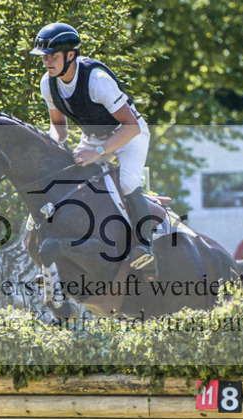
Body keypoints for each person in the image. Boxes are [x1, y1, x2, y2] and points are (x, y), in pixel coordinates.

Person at [30, 22, 156, 274]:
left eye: (52, 55)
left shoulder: (97, 81)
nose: (46, 61)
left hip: (129, 134)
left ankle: (144, 247)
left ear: (70, 55)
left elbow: (130, 126)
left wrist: (97, 153)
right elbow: (59, 128)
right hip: (94, 138)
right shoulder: (48, 83)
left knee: (127, 183)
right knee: (68, 180)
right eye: (44, 56)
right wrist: (50, 146)